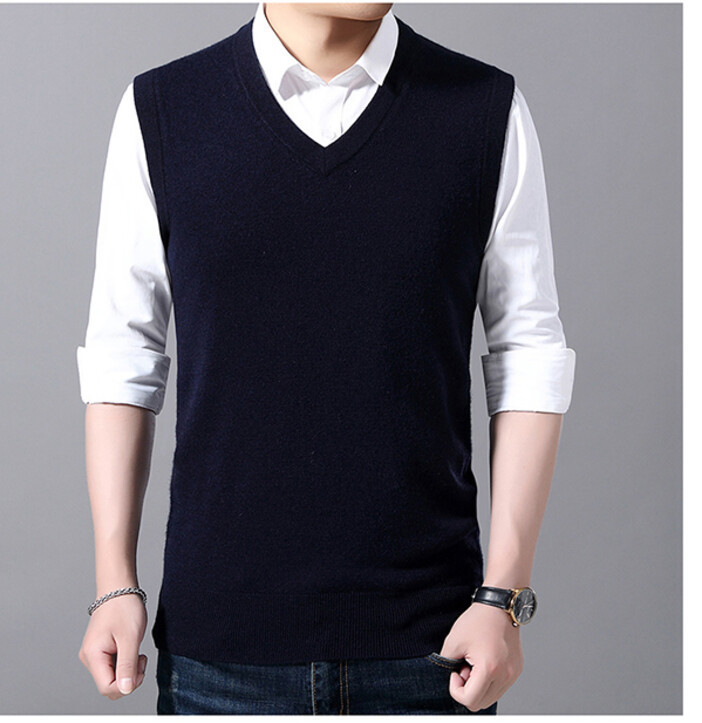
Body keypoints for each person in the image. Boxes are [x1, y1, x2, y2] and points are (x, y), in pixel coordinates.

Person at [76, 2, 576, 715]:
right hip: (220, 656)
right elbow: (124, 355)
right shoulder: (163, 109)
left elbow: (529, 354)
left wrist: (503, 595)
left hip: (433, 650)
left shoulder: (485, 110)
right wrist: (114, 582)